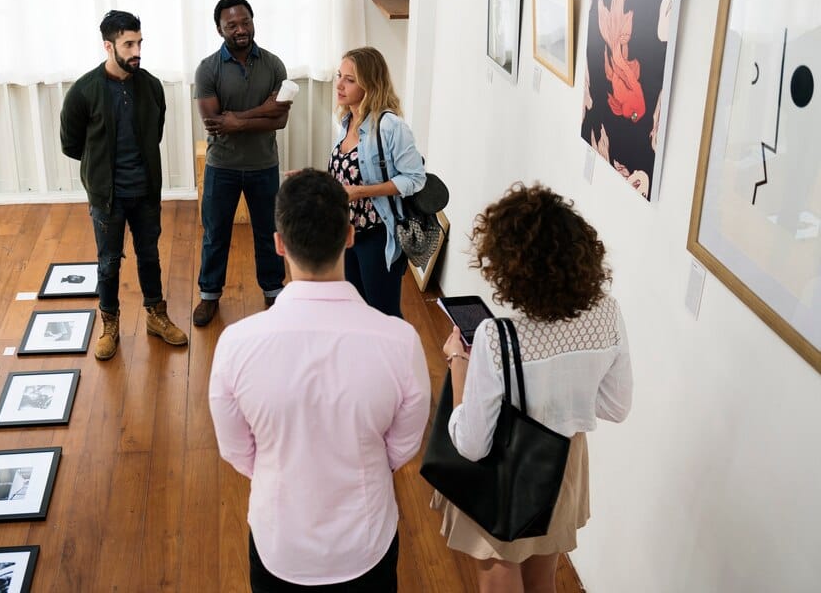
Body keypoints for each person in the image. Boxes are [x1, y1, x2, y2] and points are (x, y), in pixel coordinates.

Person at [209, 169, 431, 591]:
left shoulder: (236, 345)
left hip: (280, 545)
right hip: (366, 544)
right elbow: (401, 447)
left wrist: (287, 467)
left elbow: (237, 451)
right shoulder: (400, 342)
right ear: (350, 236)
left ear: (278, 244)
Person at [434, 182, 633, 593]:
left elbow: (472, 444)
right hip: (564, 463)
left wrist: (458, 360)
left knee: (499, 569)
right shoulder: (607, 315)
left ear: (510, 268)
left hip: (507, 469)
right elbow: (616, 406)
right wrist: (565, 394)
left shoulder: (495, 338)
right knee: (544, 578)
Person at [60, 10, 188, 360]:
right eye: (128, 44)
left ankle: (155, 315)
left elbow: (155, 132)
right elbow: (71, 145)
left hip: (145, 190)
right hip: (107, 197)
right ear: (108, 46)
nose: (136, 51)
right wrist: (102, 170)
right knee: (108, 263)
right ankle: (110, 324)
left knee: (150, 254)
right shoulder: (84, 92)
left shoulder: (150, 86)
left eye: (139, 43)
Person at [192, 0, 291, 326]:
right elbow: (214, 124)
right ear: (220, 30)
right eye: (232, 25)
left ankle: (274, 292)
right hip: (222, 167)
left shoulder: (274, 65)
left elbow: (280, 120)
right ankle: (209, 296)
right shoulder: (208, 69)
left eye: (245, 21)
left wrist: (238, 120)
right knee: (216, 232)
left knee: (268, 231)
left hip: (264, 164)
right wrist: (261, 110)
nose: (241, 29)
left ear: (253, 20)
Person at [328, 46, 425, 318]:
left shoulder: (390, 126)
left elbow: (415, 178)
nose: (339, 85)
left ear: (370, 83)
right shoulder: (346, 121)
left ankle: (396, 359)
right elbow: (345, 174)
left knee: (384, 314)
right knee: (356, 310)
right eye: (339, 76)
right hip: (348, 234)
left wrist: (362, 192)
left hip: (377, 234)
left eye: (350, 79)